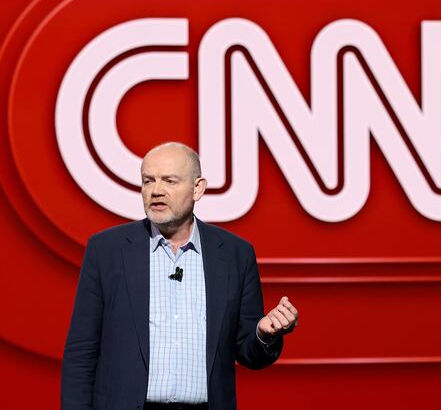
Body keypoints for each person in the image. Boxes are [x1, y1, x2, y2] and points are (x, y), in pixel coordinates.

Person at [61, 142, 299, 410]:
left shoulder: (235, 255)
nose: (156, 191)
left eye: (169, 181)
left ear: (198, 188)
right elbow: (81, 353)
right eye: (148, 181)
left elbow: (249, 353)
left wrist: (264, 333)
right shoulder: (106, 251)